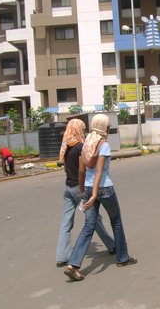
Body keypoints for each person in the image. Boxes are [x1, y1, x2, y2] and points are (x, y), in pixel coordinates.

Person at [64, 114, 136, 281]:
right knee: (116, 220)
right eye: (108, 126)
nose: (109, 128)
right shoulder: (103, 145)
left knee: (89, 225)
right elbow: (98, 171)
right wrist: (96, 193)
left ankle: (73, 264)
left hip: (88, 188)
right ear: (104, 128)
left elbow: (82, 171)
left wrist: (84, 191)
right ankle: (122, 258)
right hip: (104, 188)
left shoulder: (86, 142)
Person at [56, 119, 115, 268]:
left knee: (66, 222)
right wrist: (82, 190)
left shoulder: (66, 147)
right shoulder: (80, 147)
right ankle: (112, 245)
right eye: (82, 129)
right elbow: (82, 170)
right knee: (93, 220)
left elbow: (65, 168)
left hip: (67, 187)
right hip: (78, 187)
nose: (83, 131)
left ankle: (62, 256)